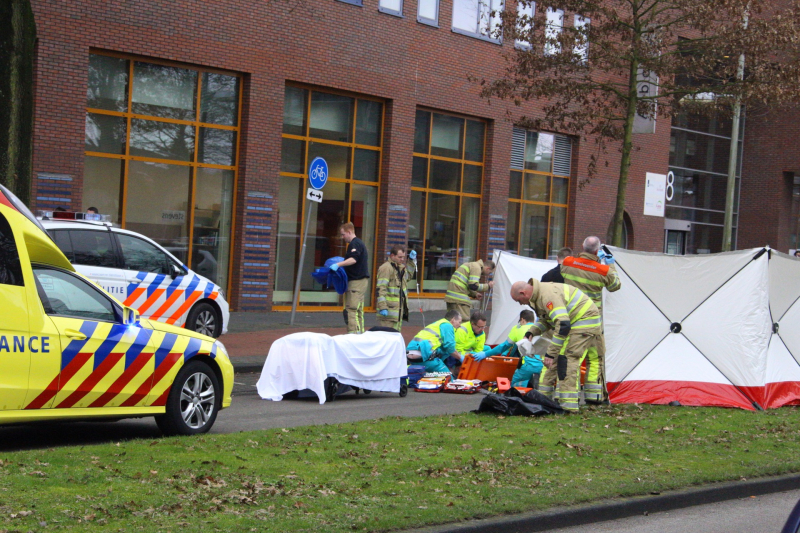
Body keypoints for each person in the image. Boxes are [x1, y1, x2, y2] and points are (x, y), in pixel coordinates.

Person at [510, 279, 603, 412]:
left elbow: (563, 324)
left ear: (523, 293)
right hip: (578, 320)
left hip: (583, 322)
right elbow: (546, 320)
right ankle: (547, 401)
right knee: (561, 359)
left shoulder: (547, 296)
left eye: (519, 300)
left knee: (567, 359)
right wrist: (531, 332)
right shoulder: (540, 295)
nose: (521, 304)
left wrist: (551, 353)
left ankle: (568, 406)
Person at [560, 236, 621, 403]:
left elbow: (565, 271)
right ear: (597, 250)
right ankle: (594, 396)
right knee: (595, 358)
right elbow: (615, 285)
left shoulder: (568, 262)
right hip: (594, 321)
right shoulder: (603, 271)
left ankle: (569, 396)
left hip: (572, 318)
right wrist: (610, 265)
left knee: (573, 358)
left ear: (582, 246)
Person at [474, 309, 543, 388]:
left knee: (514, 385)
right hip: (542, 365)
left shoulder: (518, 330)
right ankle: (533, 384)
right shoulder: (540, 330)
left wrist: (486, 354)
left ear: (522, 320)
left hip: (528, 365)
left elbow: (504, 346)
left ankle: (528, 385)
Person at [330, 222, 370, 334]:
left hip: (356, 282)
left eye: (343, 234)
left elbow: (353, 259)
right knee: (358, 310)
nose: (342, 237)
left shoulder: (354, 244)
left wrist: (338, 264)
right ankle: (360, 334)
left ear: (349, 232)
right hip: (360, 282)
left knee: (351, 310)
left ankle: (353, 335)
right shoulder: (359, 243)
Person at [406, 310, 463, 376]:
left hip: (411, 354)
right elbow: (450, 347)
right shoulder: (447, 325)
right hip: (424, 354)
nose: (460, 325)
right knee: (447, 378)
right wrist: (461, 358)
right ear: (453, 320)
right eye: (459, 322)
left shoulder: (437, 324)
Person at [375, 245, 414, 331]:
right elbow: (381, 289)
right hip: (389, 312)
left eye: (403, 257)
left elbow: (408, 277)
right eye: (400, 257)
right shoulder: (386, 268)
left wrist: (411, 261)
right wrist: (383, 307)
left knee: (395, 337)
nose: (402, 259)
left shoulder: (400, 268)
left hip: (397, 313)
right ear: (392, 255)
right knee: (387, 336)